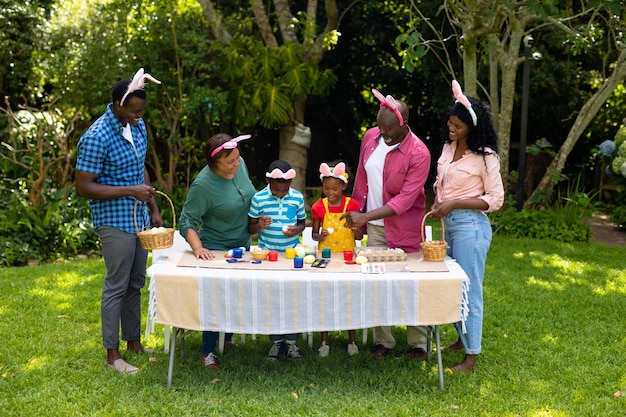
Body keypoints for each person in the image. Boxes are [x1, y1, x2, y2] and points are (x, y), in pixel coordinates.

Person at [75, 68, 163, 374]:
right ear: (117, 105)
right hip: (113, 220)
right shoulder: (97, 136)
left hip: (139, 217)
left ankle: (133, 343)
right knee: (116, 284)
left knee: (135, 282)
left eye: (142, 112)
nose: (140, 117)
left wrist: (152, 205)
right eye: (135, 111)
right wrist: (131, 190)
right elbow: (83, 186)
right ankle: (112, 356)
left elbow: (141, 167)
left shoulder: (137, 126)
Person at [341, 88, 431, 359]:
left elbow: (404, 202)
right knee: (378, 283)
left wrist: (365, 216)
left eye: (388, 127)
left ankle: (419, 342)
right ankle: (384, 340)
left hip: (405, 229)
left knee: (410, 283)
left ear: (403, 125)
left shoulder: (419, 153)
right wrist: (358, 218)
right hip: (376, 230)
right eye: (379, 125)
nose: (381, 131)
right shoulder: (371, 137)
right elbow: (362, 181)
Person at [429, 80, 504, 372]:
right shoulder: (448, 148)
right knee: (454, 286)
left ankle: (471, 356)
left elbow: (496, 199)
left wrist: (455, 203)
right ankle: (462, 338)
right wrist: (441, 204)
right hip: (450, 225)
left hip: (472, 228)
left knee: (470, 289)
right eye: (450, 124)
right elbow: (444, 185)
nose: (452, 129)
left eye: (458, 126)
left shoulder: (486, 157)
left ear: (473, 128)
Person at [178, 133, 257, 369]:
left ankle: (228, 337)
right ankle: (208, 350)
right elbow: (187, 220)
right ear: (214, 164)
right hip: (216, 248)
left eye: (237, 158)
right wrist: (198, 247)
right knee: (216, 298)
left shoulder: (239, 165)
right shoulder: (203, 185)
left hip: (241, 245)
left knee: (236, 294)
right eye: (229, 161)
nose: (236, 163)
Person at [248, 160, 307, 361]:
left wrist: (296, 230)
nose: (281, 193)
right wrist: (260, 226)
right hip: (267, 258)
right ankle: (275, 342)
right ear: (267, 181)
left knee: (292, 300)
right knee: (272, 300)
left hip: (291, 257)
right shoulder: (259, 199)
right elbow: (251, 228)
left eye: (285, 189)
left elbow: (302, 224)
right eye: (277, 190)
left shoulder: (297, 198)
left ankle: (291, 342)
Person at [311, 161, 363, 357]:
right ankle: (325, 340)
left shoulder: (352, 206)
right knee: (325, 298)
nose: (330, 192)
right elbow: (314, 235)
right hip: (326, 258)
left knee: (350, 298)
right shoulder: (319, 206)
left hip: (348, 258)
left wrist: (354, 227)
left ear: (343, 186)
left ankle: (352, 340)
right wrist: (320, 235)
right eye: (326, 188)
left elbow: (359, 237)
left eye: (334, 188)